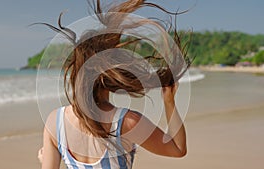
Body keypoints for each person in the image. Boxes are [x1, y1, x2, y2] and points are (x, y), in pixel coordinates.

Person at [38, 0, 190, 168]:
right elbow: (177, 149)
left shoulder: (55, 122)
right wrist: (169, 102)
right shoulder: (126, 121)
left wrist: (44, 161)